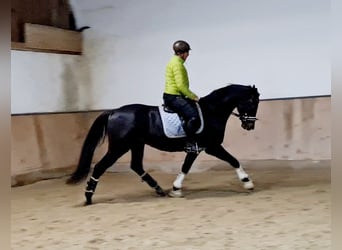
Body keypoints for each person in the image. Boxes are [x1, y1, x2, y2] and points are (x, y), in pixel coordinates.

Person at [163, 40, 201, 153]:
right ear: (183, 53)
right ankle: (189, 144)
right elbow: (180, 86)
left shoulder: (173, 61)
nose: (188, 55)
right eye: (187, 52)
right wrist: (194, 96)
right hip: (174, 96)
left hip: (173, 95)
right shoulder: (178, 65)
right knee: (193, 116)